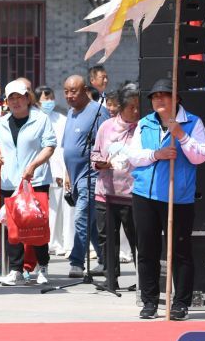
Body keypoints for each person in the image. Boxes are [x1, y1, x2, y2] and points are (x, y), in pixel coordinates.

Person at [127, 79, 205, 320]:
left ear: (177, 99)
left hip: (178, 197)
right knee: (146, 250)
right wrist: (157, 154)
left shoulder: (193, 122)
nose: (159, 100)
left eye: (165, 95)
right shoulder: (144, 124)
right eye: (155, 97)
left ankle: (181, 303)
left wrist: (181, 135)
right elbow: (133, 156)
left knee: (180, 251)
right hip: (145, 194)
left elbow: (201, 156)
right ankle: (150, 301)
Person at [0, 80, 56, 285]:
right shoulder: (2, 122)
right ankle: (16, 269)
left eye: (19, 97)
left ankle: (43, 266)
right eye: (11, 98)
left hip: (36, 179)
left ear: (27, 98)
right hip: (9, 181)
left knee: (36, 224)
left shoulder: (40, 119)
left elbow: (49, 146)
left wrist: (34, 166)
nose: (15, 102)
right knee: (12, 226)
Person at [91, 83, 140, 285]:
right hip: (107, 192)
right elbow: (95, 153)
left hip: (133, 193)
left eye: (139, 107)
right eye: (131, 107)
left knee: (137, 238)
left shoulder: (143, 128)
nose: (136, 111)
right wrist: (99, 163)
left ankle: (143, 280)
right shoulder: (106, 127)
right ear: (121, 107)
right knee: (107, 238)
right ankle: (111, 278)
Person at [62, 74, 110, 278]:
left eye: (74, 91)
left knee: (82, 217)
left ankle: (77, 262)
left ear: (85, 91)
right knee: (89, 222)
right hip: (75, 176)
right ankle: (105, 260)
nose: (69, 96)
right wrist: (67, 174)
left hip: (91, 176)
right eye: (66, 92)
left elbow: (107, 143)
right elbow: (69, 147)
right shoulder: (71, 113)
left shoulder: (98, 112)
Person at [36, 86, 71, 256]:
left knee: (58, 210)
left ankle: (58, 242)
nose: (49, 102)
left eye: (51, 98)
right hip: (39, 172)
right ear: (37, 101)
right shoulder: (34, 118)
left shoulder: (62, 119)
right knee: (45, 211)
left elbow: (64, 147)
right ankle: (45, 241)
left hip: (58, 169)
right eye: (45, 98)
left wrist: (64, 170)